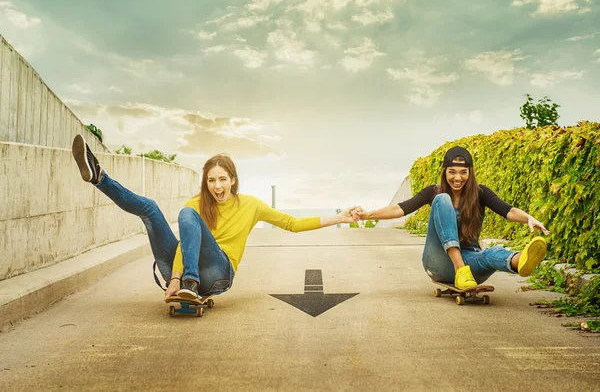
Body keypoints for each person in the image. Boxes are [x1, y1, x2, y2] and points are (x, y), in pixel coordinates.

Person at [71, 134, 358, 300]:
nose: (217, 187)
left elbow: (292, 224)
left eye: (222, 179)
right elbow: (185, 244)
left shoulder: (251, 205)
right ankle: (99, 177)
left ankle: (191, 282)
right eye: (211, 181)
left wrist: (339, 217)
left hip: (218, 274)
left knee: (187, 215)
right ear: (205, 182)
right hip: (182, 272)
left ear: (233, 180)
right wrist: (174, 277)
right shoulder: (197, 204)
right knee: (152, 210)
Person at [351, 146, 550, 289]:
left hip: (470, 262)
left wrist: (528, 218)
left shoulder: (480, 193)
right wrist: (368, 214)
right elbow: (400, 209)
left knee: (490, 253)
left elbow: (508, 210)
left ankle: (520, 262)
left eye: (463, 172)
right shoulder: (434, 192)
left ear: (470, 173)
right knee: (442, 199)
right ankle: (459, 269)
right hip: (438, 263)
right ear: (444, 172)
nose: (457, 178)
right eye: (452, 172)